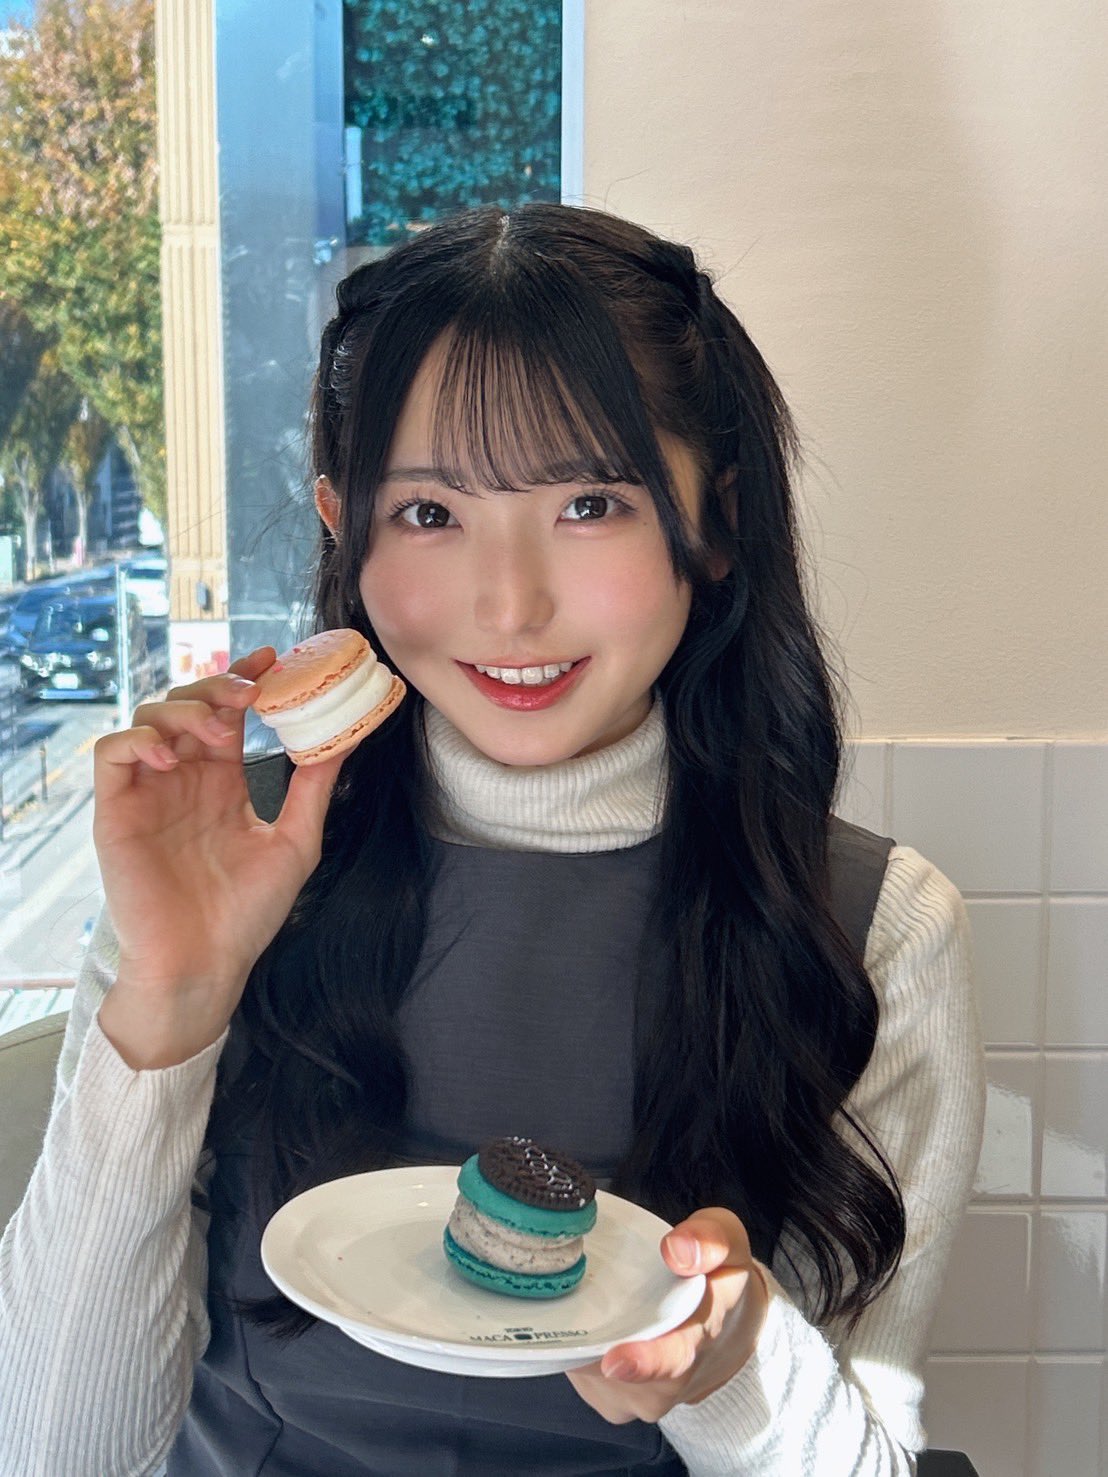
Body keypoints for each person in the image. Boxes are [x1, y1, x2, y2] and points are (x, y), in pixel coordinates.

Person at [0, 202, 984, 1476]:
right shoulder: (218, 858)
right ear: (345, 526)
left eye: (590, 502)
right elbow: (55, 1449)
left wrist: (735, 1371)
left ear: (714, 523)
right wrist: (171, 998)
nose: (510, 606)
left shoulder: (868, 930)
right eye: (428, 513)